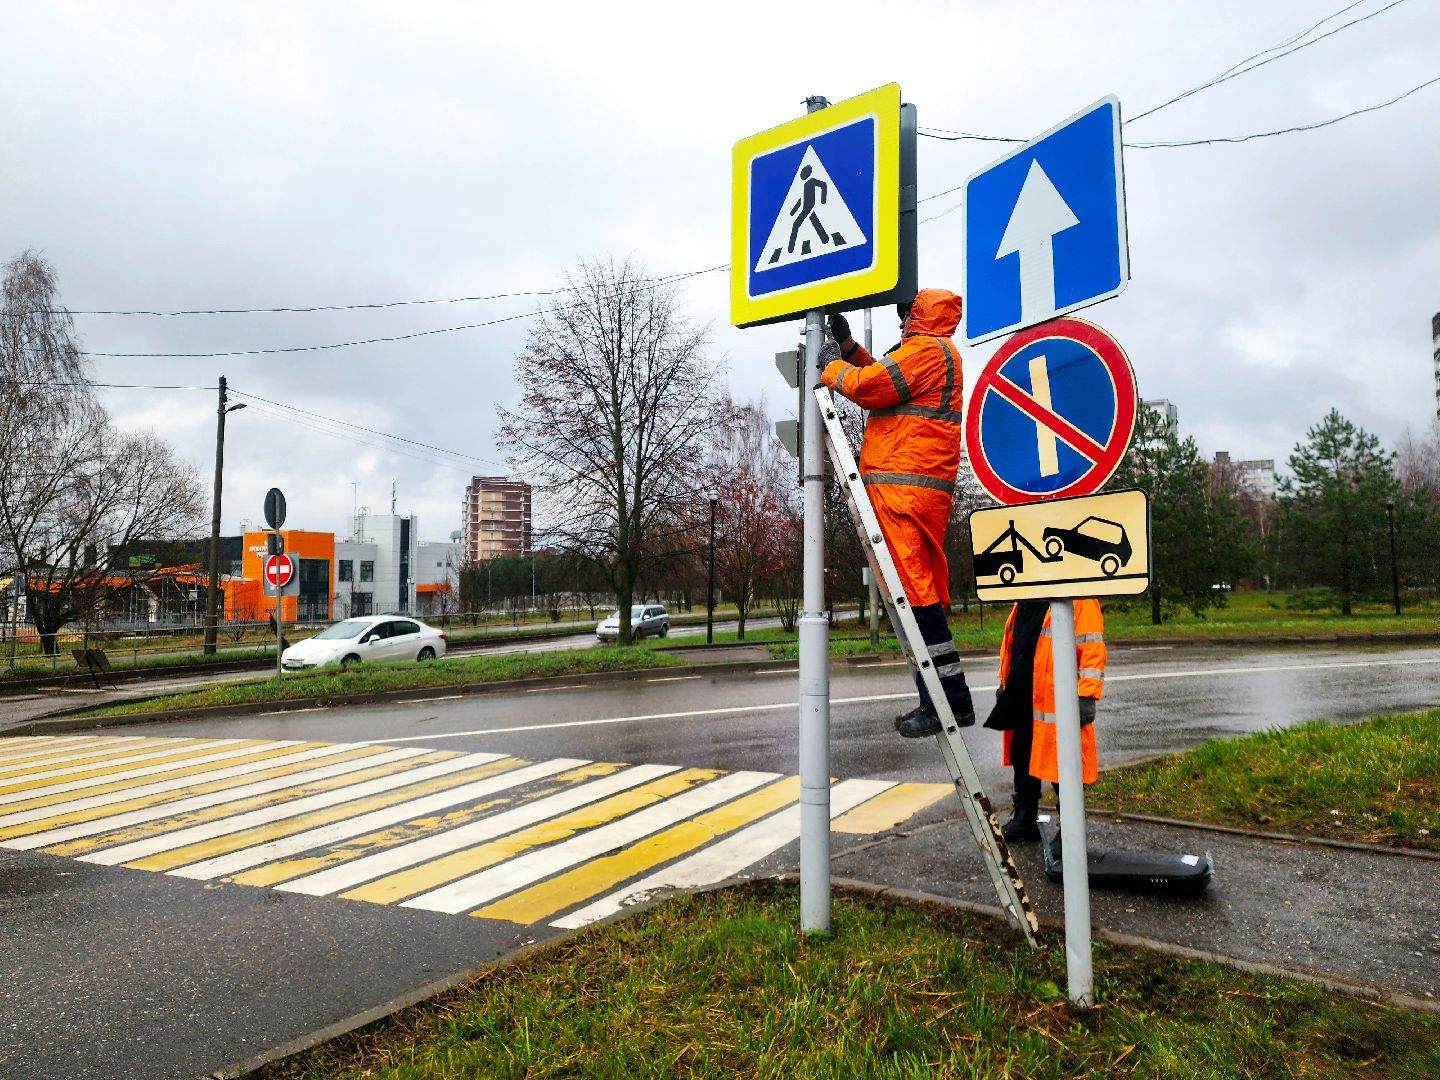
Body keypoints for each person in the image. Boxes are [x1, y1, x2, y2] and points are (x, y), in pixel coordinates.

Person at [820, 289, 974, 738]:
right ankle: (941, 699)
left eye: (905, 316)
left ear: (919, 316)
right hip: (906, 492)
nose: (901, 324)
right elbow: (883, 375)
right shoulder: (929, 352)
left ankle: (948, 702)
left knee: (915, 593)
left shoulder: (928, 350)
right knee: (912, 591)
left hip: (905, 493)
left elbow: (870, 386)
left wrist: (831, 365)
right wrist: (848, 347)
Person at [985, 598, 1106, 847]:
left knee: (1064, 764)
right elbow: (1013, 642)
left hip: (1055, 697)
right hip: (1023, 694)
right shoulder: (1026, 595)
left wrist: (1087, 694)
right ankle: (1025, 817)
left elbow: (1092, 645)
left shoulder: (1079, 595)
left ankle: (1071, 831)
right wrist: (1004, 683)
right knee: (1023, 756)